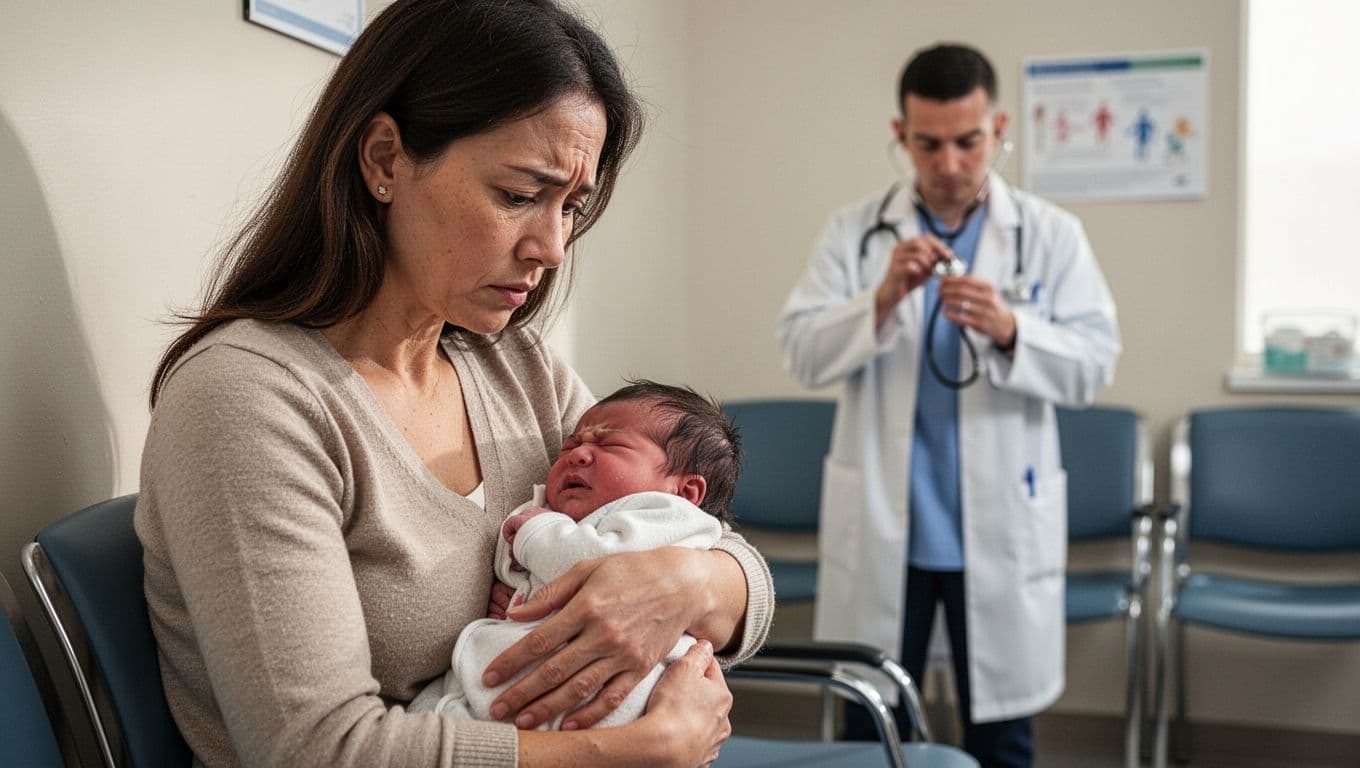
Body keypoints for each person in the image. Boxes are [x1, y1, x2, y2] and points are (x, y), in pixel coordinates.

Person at [134, 2, 773, 766]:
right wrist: (638, 748)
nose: (552, 248)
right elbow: (316, 751)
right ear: (383, 160)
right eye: (518, 195)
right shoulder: (252, 400)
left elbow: (710, 540)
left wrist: (690, 581)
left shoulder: (518, 372)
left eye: (572, 206)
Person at [776, 43, 1120, 768]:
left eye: (968, 142)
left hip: (997, 529)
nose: (951, 163)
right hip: (885, 525)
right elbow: (801, 352)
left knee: (1001, 733)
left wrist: (1011, 329)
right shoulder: (855, 232)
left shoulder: (1050, 235)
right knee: (872, 729)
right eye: (928, 144)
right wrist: (880, 299)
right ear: (901, 136)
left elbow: (1094, 366)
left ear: (998, 130)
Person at [411, 381, 741, 730]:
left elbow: (589, 560)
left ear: (686, 490)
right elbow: (541, 565)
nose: (577, 454)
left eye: (609, 444)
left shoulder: (667, 515)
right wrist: (516, 588)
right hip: (547, 690)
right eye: (571, 444)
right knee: (434, 713)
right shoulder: (571, 518)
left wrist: (535, 531)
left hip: (617, 696)